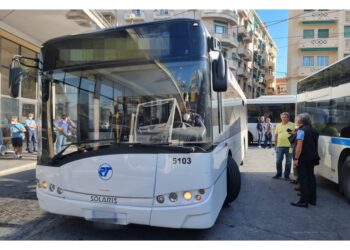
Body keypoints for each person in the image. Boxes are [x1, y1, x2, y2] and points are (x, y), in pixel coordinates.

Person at [291, 113, 320, 208]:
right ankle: (312, 199)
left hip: (303, 158)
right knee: (311, 177)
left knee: (303, 179)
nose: (296, 121)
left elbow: (299, 146)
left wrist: (296, 158)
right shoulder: (313, 130)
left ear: (301, 121)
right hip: (312, 157)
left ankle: (303, 201)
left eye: (297, 119)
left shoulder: (301, 131)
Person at [273, 112, 295, 180]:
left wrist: (290, 131)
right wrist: (275, 146)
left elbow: (295, 134)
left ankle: (286, 176)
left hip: (290, 146)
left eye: (285, 117)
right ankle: (279, 174)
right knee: (278, 160)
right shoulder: (278, 125)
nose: (283, 118)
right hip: (280, 146)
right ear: (280, 118)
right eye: (282, 117)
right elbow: (276, 136)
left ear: (288, 118)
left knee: (288, 161)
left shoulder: (293, 125)